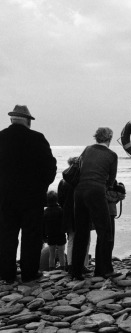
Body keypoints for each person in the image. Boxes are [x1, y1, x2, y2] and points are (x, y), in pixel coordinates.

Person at [0, 105, 57, 283]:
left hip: (5, 197)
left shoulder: (1, 138)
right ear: (28, 121)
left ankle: (7, 273)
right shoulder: (37, 139)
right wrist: (42, 186)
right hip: (32, 198)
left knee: (6, 235)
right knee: (31, 236)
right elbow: (50, 167)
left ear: (12, 120)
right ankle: (29, 273)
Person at [72, 127, 117, 280]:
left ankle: (76, 271)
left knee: (81, 232)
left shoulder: (87, 149)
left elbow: (79, 167)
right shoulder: (111, 155)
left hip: (79, 190)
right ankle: (103, 269)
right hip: (96, 190)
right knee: (104, 231)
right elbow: (110, 181)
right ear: (109, 138)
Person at [58, 157, 91, 274]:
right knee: (85, 239)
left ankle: (71, 263)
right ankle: (83, 264)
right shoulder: (81, 179)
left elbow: (60, 199)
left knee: (71, 239)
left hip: (68, 214)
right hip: (81, 211)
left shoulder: (63, 181)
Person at [105, 180, 126, 277]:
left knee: (105, 240)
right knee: (109, 240)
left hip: (105, 211)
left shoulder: (103, 181)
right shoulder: (111, 182)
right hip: (109, 212)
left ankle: (104, 266)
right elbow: (119, 197)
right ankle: (107, 268)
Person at [43, 190, 66, 271]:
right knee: (61, 253)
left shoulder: (45, 212)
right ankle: (63, 268)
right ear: (57, 199)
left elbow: (43, 225)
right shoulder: (60, 210)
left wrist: (44, 236)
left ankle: (51, 269)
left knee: (51, 254)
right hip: (60, 235)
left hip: (50, 235)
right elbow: (64, 223)